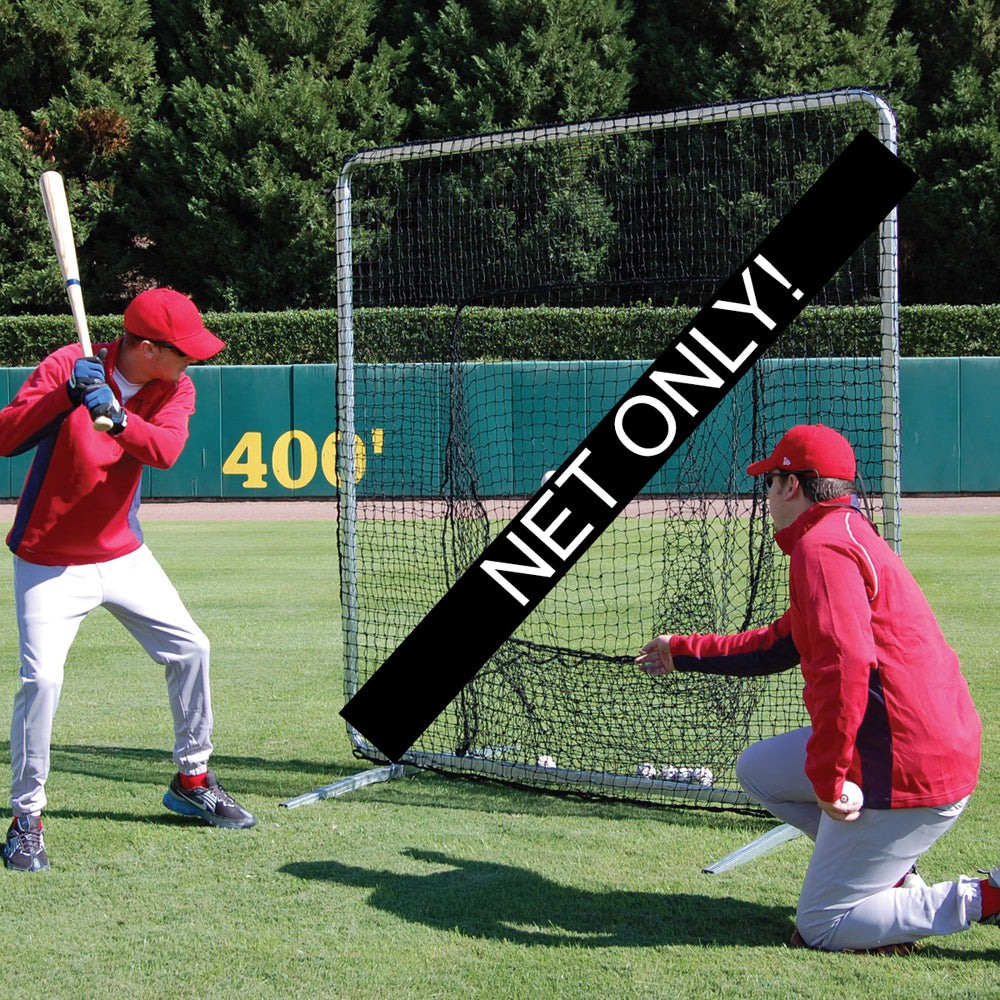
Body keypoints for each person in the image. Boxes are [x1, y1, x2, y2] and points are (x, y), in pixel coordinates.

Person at [636, 423, 996, 953]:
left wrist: (830, 778)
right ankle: (890, 875)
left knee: (822, 926)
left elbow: (845, 667)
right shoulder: (842, 531)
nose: (766, 495)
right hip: (922, 741)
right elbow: (779, 644)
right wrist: (683, 651)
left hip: (908, 762)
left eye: (770, 482)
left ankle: (987, 897)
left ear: (792, 486)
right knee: (757, 770)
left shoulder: (821, 548)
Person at [0, 287, 256, 873]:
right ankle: (26, 818)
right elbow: (5, 438)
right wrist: (67, 396)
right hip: (48, 559)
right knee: (41, 682)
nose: (193, 360)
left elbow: (165, 450)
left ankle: (192, 779)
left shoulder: (176, 387)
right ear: (146, 348)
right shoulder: (70, 365)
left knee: (191, 649)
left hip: (122, 553)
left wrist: (117, 419)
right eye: (183, 350)